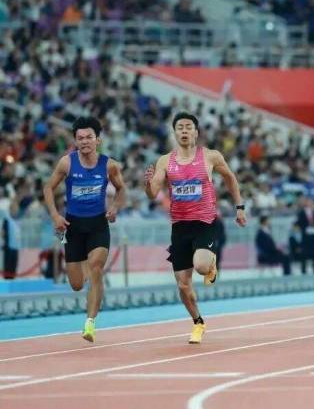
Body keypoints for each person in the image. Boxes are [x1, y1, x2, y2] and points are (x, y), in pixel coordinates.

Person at [144, 112, 247, 344]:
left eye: (188, 127)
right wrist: (147, 185)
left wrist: (239, 206)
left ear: (196, 132)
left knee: (200, 266)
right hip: (179, 226)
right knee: (183, 285)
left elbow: (230, 178)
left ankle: (210, 263)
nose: (184, 131)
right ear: (174, 133)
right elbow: (153, 192)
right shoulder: (165, 161)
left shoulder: (210, 156)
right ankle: (198, 322)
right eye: (180, 127)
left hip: (204, 222)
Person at [43, 116, 127, 342]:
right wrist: (55, 216)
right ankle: (90, 283)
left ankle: (90, 322)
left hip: (98, 224)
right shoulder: (67, 163)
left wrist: (114, 208)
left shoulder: (109, 165)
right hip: (73, 226)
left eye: (89, 137)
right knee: (77, 284)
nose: (85, 141)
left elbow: (121, 189)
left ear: (98, 140)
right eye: (80, 138)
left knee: (96, 267)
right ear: (75, 141)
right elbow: (48, 188)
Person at [295, 195, 314, 274]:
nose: (310, 203)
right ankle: (303, 271)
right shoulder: (301, 212)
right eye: (308, 202)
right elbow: (299, 223)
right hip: (305, 237)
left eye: (311, 202)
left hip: (313, 236)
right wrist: (305, 228)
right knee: (304, 254)